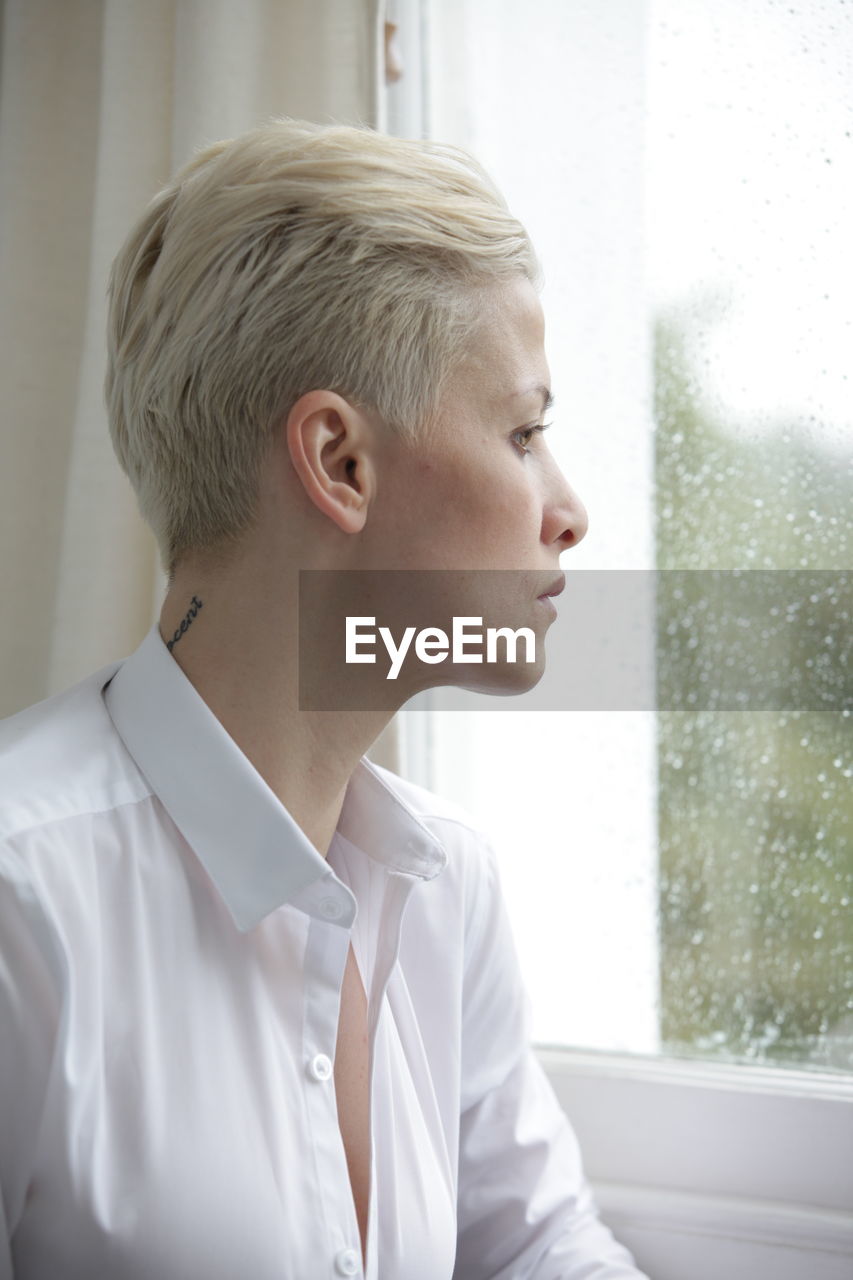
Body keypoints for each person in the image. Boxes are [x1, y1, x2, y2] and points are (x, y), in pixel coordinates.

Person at [0, 118, 649, 1279]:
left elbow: (537, 1245)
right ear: (339, 462)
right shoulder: (19, 899)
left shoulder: (445, 882)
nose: (569, 509)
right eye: (523, 430)